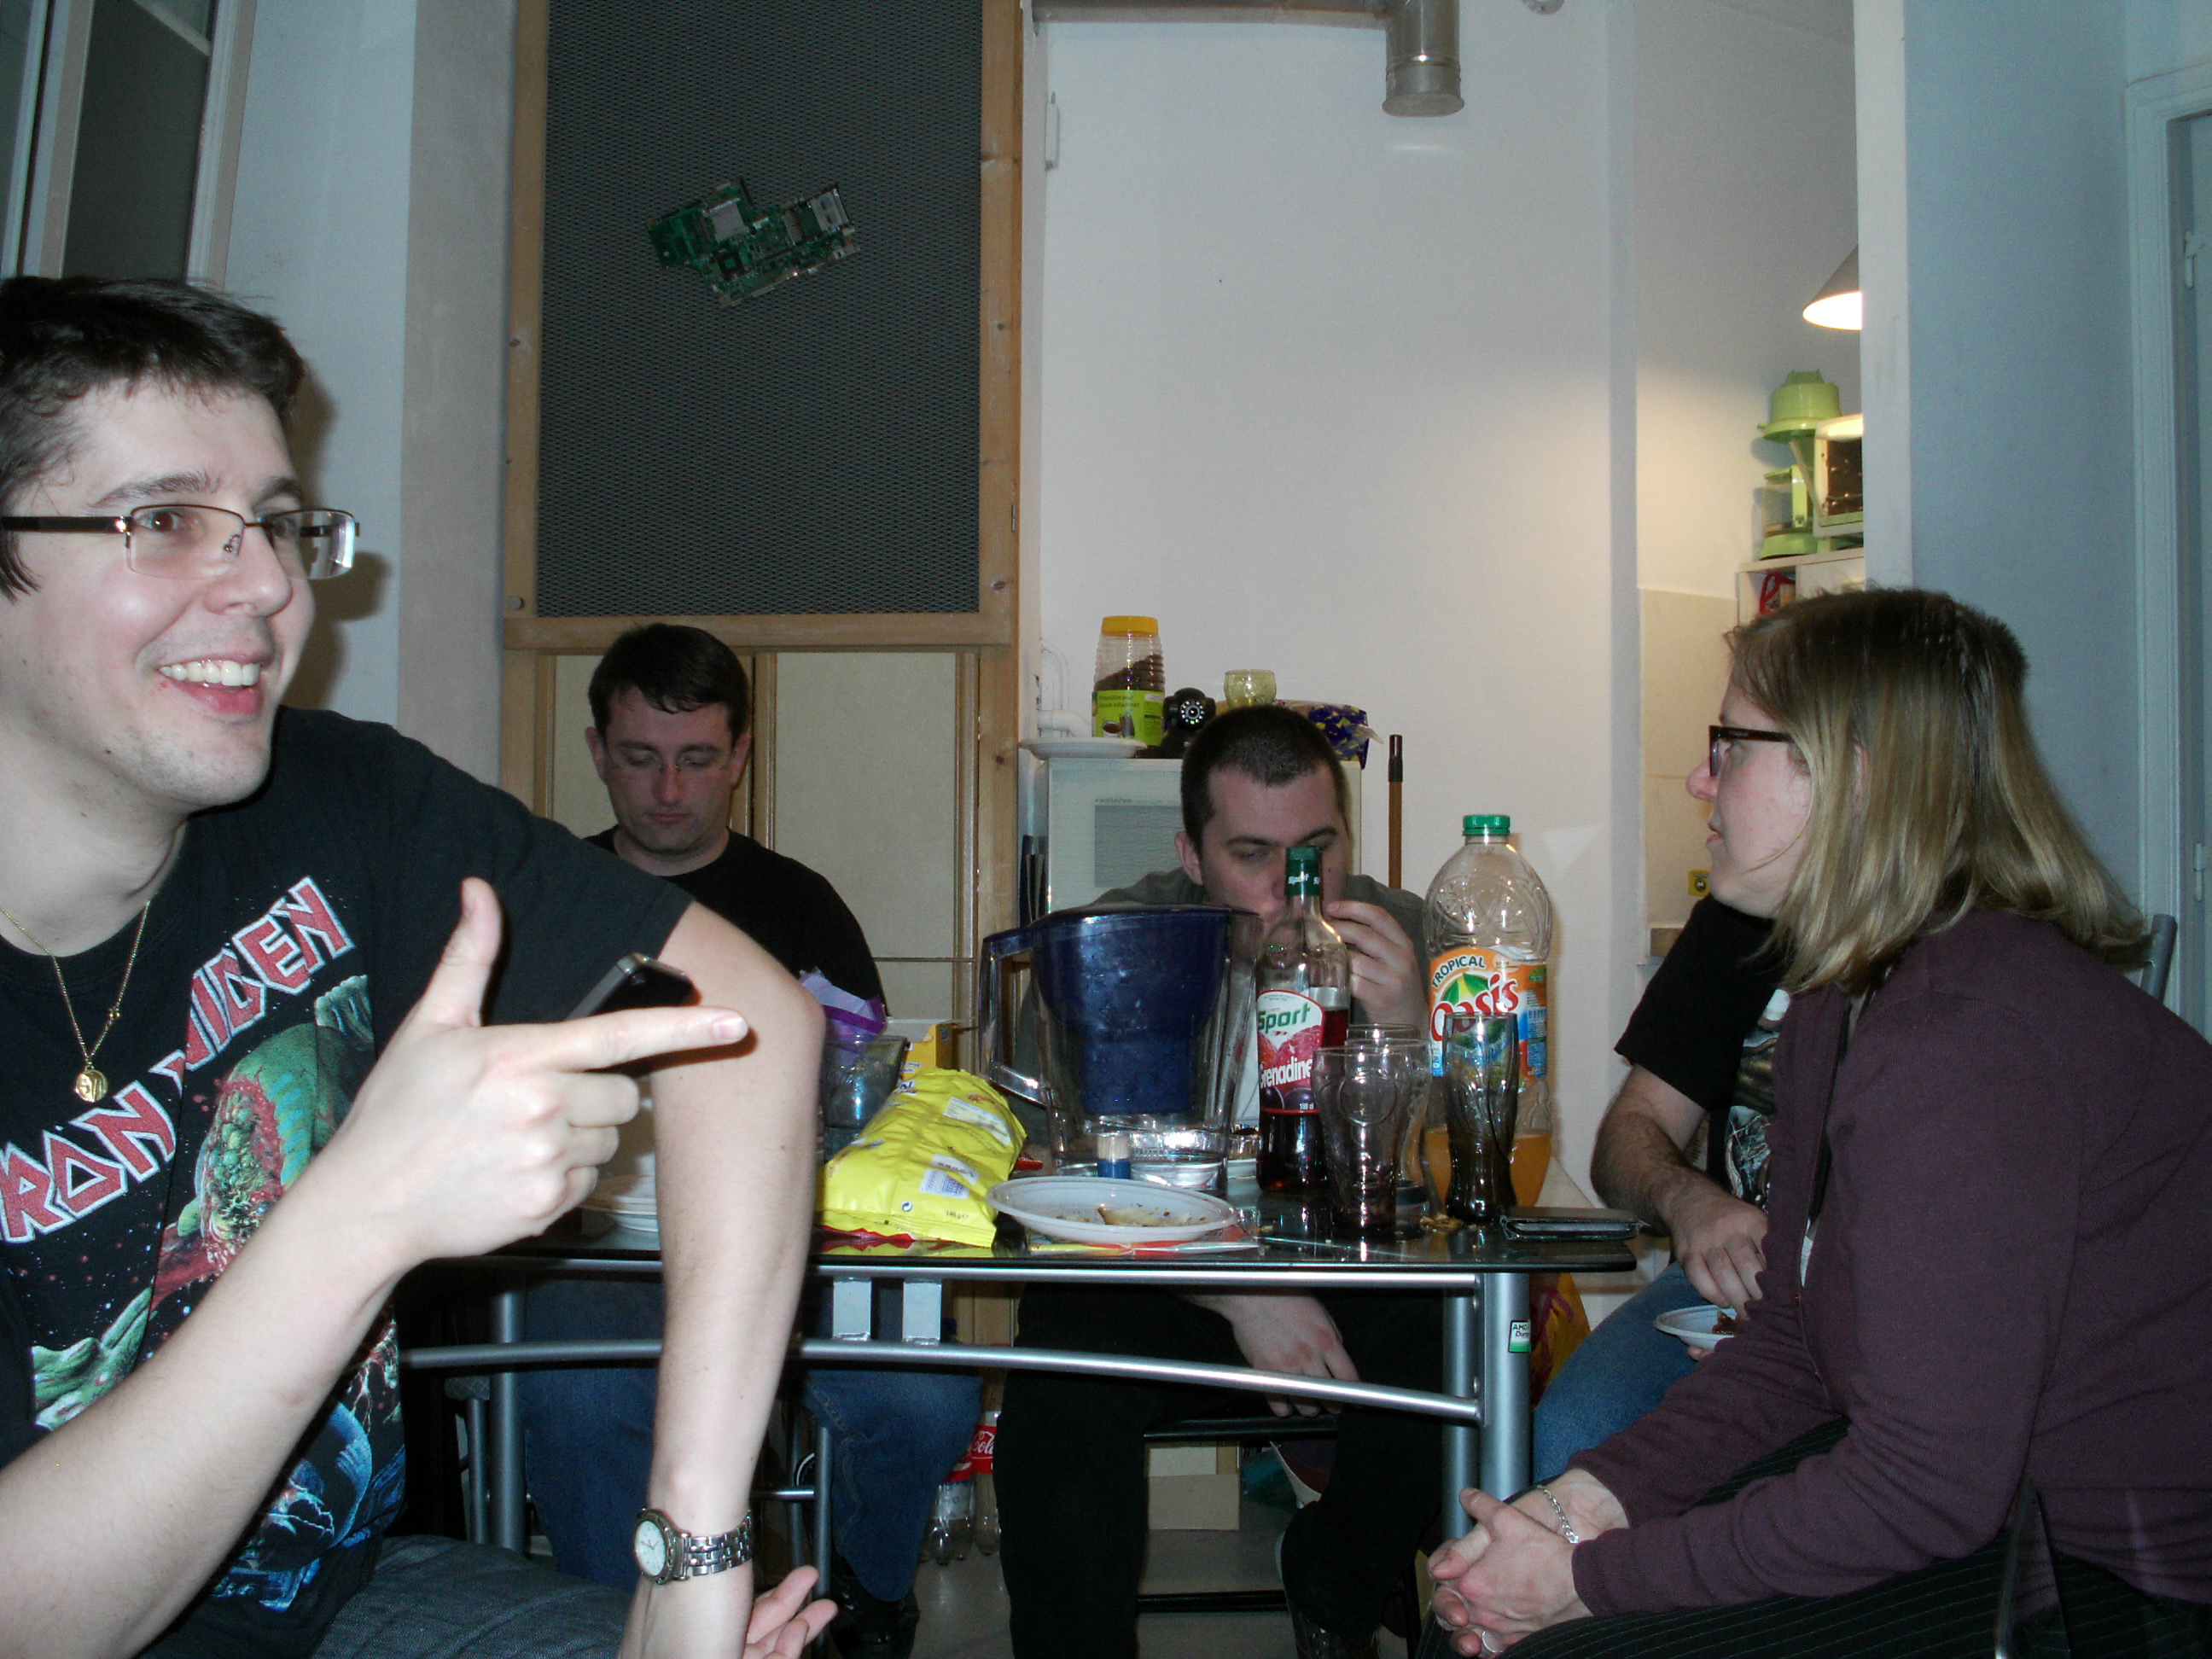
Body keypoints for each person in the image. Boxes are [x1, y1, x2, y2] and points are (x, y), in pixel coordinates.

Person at [0, 276, 834, 1657]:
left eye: (277, 523)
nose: (269, 584)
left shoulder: (337, 799)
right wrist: (365, 1213)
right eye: (165, 519)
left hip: (352, 1601)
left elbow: (746, 1024)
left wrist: (687, 1561)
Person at [1428, 588, 2212, 1658]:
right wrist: (1564, 1517)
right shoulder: (1839, 1004)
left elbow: (1924, 1487)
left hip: (2121, 1583)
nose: (1700, 778)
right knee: (1487, 1622)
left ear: (1857, 776)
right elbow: (1792, 1343)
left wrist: (1586, 1584)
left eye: (1731, 745)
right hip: (2006, 1520)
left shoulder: (1969, 1037)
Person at [518, 624, 978, 1659]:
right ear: (596, 752)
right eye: (639, 758)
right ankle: (616, 1631)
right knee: (581, 1388)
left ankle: (861, 1603)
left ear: (740, 756)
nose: (667, 789)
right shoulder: (550, 898)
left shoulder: (801, 908)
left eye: (695, 759)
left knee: (924, 1398)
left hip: (785, 1248)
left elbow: (871, 1104)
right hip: (597, 1251)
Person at [995, 703, 1443, 1659]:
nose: (1290, 890)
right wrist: (1239, 1290)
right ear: (1191, 857)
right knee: (1064, 1366)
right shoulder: (1116, 943)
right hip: (1161, 1276)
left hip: (1349, 1263)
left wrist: (1413, 1038)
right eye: (1252, 856)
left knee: (1469, 1334)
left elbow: (1461, 1195)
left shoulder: (1405, 937)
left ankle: (1339, 1579)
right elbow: (1047, 1178)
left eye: (1317, 852)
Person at [1528, 895, 1782, 1479]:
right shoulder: (1739, 918)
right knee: (1571, 1436)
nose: (1711, 855)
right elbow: (1628, 1136)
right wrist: (1691, 1203)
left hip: (1877, 1310)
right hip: (1715, 1291)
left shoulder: (1966, 950)